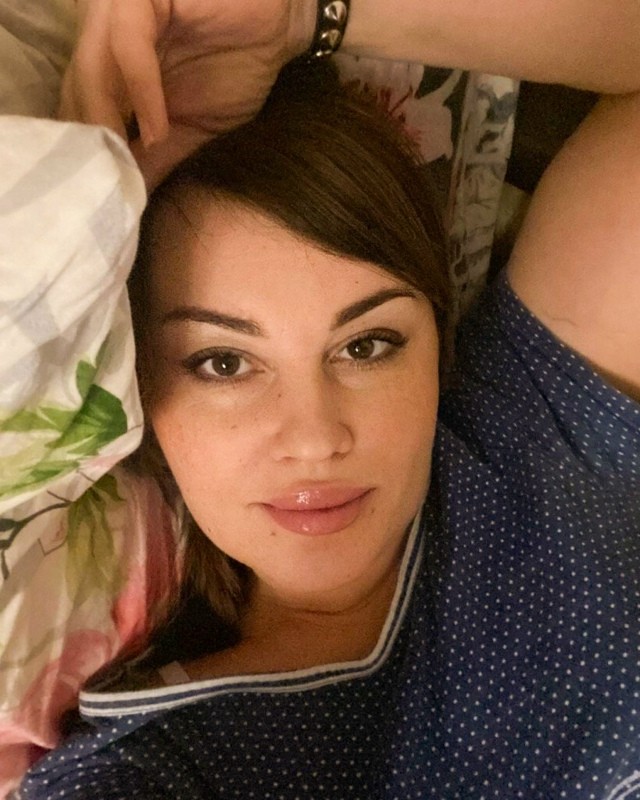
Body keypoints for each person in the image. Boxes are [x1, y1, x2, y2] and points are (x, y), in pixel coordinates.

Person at [5, 0, 640, 797]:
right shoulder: (157, 769)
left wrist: (301, 15)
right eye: (224, 363)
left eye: (367, 346)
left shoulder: (535, 419)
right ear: (142, 394)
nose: (313, 438)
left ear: (436, 343)